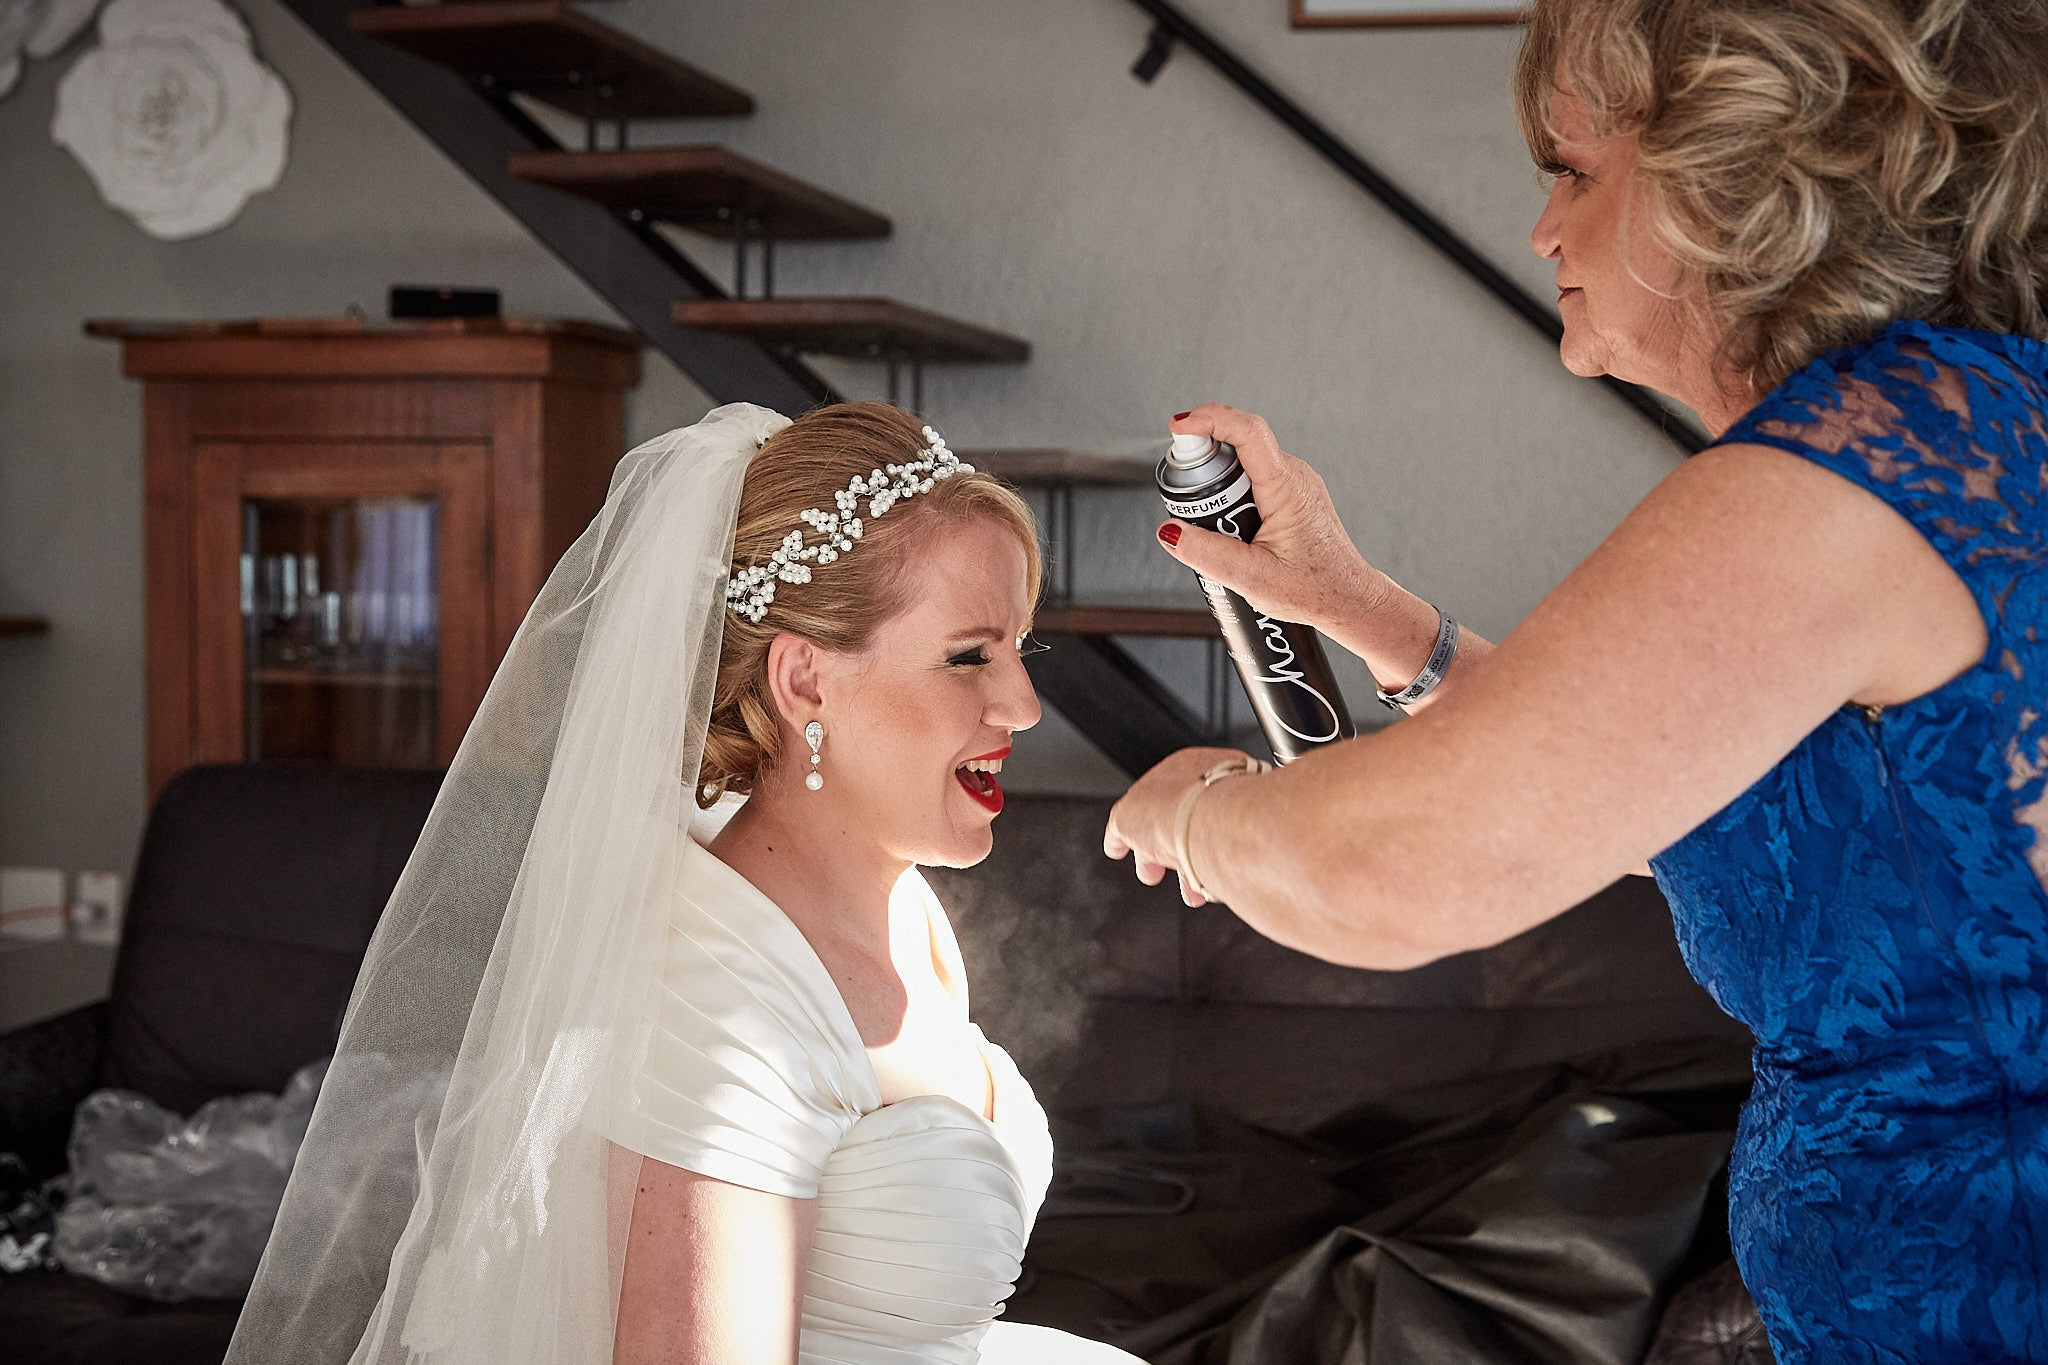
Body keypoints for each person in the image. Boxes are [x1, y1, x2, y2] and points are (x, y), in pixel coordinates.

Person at [1105, 0, 2048, 1361]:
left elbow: (1401, 862)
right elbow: (1658, 780)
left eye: (1575, 170)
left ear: (1742, 177)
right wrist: (1364, 612)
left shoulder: (1853, 471)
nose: (1543, 230)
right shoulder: (1969, 426)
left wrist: (1192, 812)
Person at [227, 401, 1141, 1364]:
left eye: (1019, 647)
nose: (1026, 705)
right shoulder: (709, 998)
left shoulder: (907, 905)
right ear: (803, 681)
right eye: (969, 656)